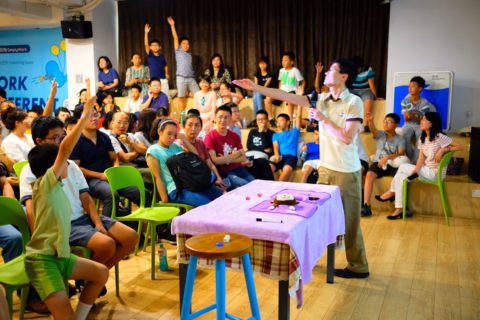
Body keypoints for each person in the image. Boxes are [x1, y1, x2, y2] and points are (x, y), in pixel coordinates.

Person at [234, 58, 370, 279]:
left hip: (346, 171)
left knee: (350, 221)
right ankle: (309, 258)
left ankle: (358, 266)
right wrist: (255, 87)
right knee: (315, 217)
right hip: (325, 169)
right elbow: (287, 96)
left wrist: (323, 119)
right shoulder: (320, 98)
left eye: (332, 69)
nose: (326, 71)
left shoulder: (354, 102)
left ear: (343, 77)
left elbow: (346, 137)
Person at [24, 95, 109, 319]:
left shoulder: (58, 185)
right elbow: (64, 149)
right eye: (62, 162)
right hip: (43, 260)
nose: (67, 165)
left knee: (100, 273)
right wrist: (85, 114)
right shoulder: (44, 185)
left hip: (61, 255)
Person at [378, 112, 463, 220]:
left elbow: (460, 147)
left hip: (434, 173)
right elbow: (421, 159)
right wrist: (416, 170)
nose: (421, 121)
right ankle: (399, 209)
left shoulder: (440, 137)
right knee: (400, 177)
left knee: (403, 166)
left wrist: (444, 149)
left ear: (431, 123)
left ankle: (391, 192)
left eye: (424, 120)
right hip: (425, 171)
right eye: (422, 119)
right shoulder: (422, 138)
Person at [70, 108, 140, 218]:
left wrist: (115, 170)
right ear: (80, 120)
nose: (94, 119)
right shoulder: (76, 141)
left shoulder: (104, 137)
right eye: (90, 116)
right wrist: (100, 176)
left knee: (138, 190)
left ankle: (157, 228)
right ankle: (108, 228)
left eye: (96, 115)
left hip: (110, 176)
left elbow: (114, 158)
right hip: (90, 180)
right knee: (111, 194)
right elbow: (76, 168)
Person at [147, 119, 223, 207]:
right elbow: (157, 178)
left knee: (221, 196)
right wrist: (165, 200)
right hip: (176, 190)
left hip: (191, 184)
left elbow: (196, 157)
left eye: (174, 135)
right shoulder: (153, 151)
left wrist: (184, 139)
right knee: (208, 204)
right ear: (160, 131)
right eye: (169, 134)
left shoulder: (176, 146)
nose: (172, 137)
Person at [361, 113, 408, 217]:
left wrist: (387, 157)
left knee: (400, 178)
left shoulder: (400, 139)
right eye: (384, 121)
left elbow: (401, 153)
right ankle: (366, 205)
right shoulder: (381, 135)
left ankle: (403, 206)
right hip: (378, 162)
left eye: (389, 122)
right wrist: (370, 121)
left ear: (396, 124)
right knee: (369, 175)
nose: (386, 124)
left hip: (392, 164)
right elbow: (373, 131)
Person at [204, 104, 255, 189]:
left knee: (255, 184)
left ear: (230, 119)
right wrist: (237, 154)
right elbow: (215, 161)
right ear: (215, 118)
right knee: (245, 186)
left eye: (226, 117)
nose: (223, 120)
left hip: (239, 168)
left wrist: (225, 159)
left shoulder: (234, 135)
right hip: (224, 173)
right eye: (220, 117)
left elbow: (243, 158)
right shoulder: (210, 137)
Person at [181, 114, 225, 191]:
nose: (193, 129)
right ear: (183, 127)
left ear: (201, 128)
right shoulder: (180, 145)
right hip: (193, 184)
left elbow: (210, 164)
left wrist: (218, 177)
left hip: (206, 179)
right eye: (190, 125)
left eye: (197, 125)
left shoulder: (200, 142)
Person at [400, 76, 436, 162]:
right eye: (409, 86)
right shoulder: (405, 101)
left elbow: (422, 120)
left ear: (420, 88)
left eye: (413, 86)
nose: (410, 88)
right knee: (403, 136)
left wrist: (411, 115)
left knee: (421, 139)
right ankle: (412, 159)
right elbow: (406, 119)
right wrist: (413, 115)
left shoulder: (424, 102)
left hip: (420, 125)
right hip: (408, 124)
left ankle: (414, 163)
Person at [167, 16, 199, 112]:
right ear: (180, 45)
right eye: (184, 43)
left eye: (188, 44)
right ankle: (182, 118)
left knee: (199, 95)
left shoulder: (190, 54)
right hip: (181, 78)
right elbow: (175, 37)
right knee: (181, 98)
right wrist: (172, 26)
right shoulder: (178, 51)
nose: (186, 45)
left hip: (191, 78)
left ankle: (200, 113)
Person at [270, 107, 302, 182]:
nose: (278, 123)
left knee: (287, 170)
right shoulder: (275, 135)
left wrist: (300, 105)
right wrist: (277, 154)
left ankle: (277, 187)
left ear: (288, 122)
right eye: (277, 121)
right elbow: (275, 146)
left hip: (291, 157)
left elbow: (299, 117)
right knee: (268, 168)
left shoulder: (294, 132)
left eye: (281, 121)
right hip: (280, 157)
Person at [245, 110, 275, 181]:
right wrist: (262, 148)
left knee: (260, 162)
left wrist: (261, 132)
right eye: (258, 119)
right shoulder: (252, 131)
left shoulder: (272, 133)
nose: (260, 121)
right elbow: (249, 146)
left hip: (262, 155)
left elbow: (267, 146)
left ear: (267, 120)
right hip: (250, 154)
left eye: (263, 119)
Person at [351, 56, 378, 131]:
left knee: (369, 97)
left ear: (361, 67)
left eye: (357, 68)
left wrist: (376, 97)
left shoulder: (368, 70)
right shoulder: (348, 70)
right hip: (353, 90)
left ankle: (365, 125)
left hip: (365, 90)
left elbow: (371, 85)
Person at [278, 51, 305, 119]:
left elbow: (303, 82)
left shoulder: (295, 70)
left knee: (290, 99)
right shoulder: (281, 70)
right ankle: (270, 118)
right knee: (268, 99)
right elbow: (280, 81)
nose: (283, 62)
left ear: (292, 62)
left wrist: (301, 90)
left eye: (286, 60)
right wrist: (278, 90)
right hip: (282, 92)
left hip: (291, 91)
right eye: (282, 60)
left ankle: (290, 119)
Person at [144, 24, 169, 96]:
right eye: (153, 45)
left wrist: (167, 73)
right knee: (152, 97)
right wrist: (146, 33)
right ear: (150, 47)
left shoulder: (162, 56)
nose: (154, 47)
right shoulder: (150, 55)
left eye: (156, 45)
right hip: (153, 80)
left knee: (166, 96)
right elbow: (146, 44)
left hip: (163, 79)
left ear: (160, 47)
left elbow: (166, 65)